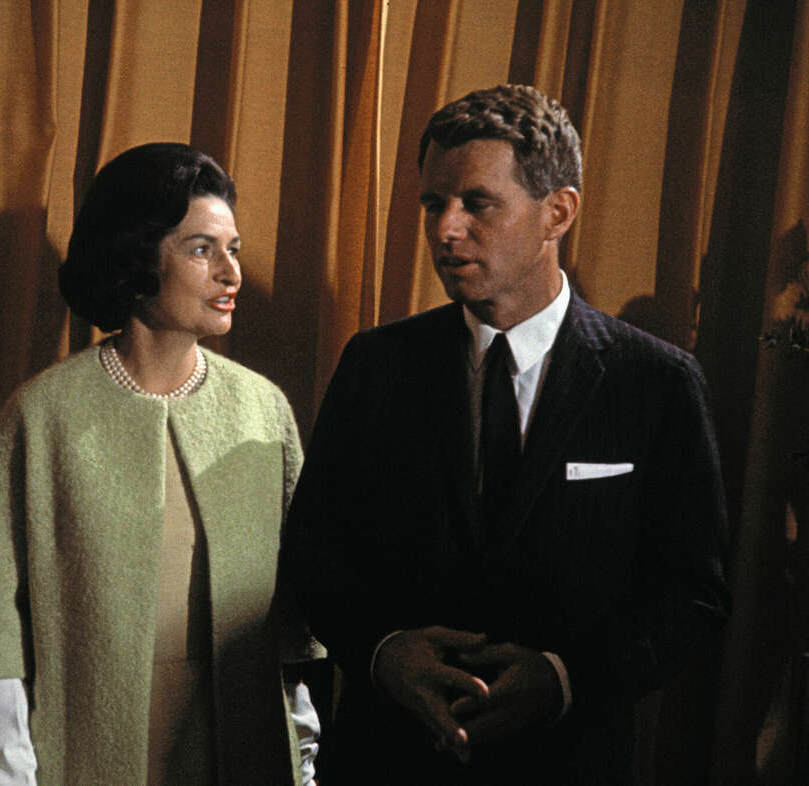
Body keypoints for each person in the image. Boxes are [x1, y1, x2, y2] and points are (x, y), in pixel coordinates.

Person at [282, 84, 730, 784]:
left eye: (475, 202)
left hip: (567, 763)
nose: (444, 229)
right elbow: (314, 550)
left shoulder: (657, 384)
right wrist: (383, 651)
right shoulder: (376, 366)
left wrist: (563, 679)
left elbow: (692, 594)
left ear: (559, 211)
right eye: (433, 203)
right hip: (389, 761)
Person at [0, 142, 322, 785]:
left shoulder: (263, 411)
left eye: (232, 248)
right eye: (201, 248)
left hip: (240, 751)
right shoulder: (43, 415)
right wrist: (8, 767)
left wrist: (304, 753)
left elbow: (293, 623)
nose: (231, 273)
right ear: (135, 254)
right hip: (88, 755)